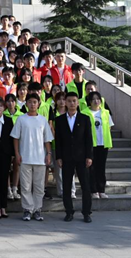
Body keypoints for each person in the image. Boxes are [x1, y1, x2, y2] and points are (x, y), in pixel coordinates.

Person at [11, 93, 54, 221]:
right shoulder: (21, 119)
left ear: (38, 104)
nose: (32, 104)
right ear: (26, 104)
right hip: (25, 157)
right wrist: (17, 153)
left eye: (35, 102)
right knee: (25, 186)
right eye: (30, 102)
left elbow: (47, 139)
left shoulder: (43, 120)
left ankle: (37, 209)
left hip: (40, 158)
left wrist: (49, 154)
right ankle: (27, 209)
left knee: (39, 186)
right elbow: (15, 138)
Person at [55, 92, 94, 223]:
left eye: (74, 101)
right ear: (65, 103)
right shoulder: (60, 120)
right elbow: (58, 140)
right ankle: (69, 212)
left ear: (78, 103)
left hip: (82, 157)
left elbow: (88, 139)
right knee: (66, 186)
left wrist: (89, 156)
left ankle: (86, 212)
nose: (72, 103)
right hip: (66, 157)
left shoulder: (84, 118)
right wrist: (58, 157)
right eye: (69, 101)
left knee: (85, 186)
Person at [85, 91, 113, 199]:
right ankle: (93, 190)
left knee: (101, 167)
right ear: (89, 101)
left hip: (103, 144)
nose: (96, 101)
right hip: (91, 144)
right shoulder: (85, 112)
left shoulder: (105, 112)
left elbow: (109, 126)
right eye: (93, 99)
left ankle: (101, 190)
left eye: (98, 99)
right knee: (91, 168)